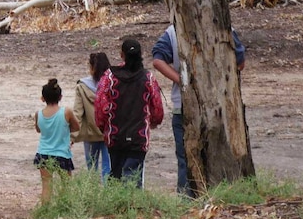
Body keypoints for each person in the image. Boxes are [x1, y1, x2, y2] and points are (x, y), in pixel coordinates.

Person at [152, 25, 246, 197]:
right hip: (219, 107)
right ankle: (220, 195)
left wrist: (182, 81)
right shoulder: (223, 26)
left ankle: (186, 200)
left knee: (185, 159)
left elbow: (157, 60)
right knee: (218, 155)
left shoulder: (172, 31)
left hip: (184, 106)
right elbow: (240, 62)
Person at [95, 38, 164, 187]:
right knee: (133, 181)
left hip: (115, 137)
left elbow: (100, 106)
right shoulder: (148, 78)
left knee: (116, 178)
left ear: (122, 55)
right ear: (141, 55)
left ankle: (115, 209)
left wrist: (103, 127)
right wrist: (153, 122)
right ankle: (132, 208)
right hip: (138, 139)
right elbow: (157, 108)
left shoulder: (109, 77)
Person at [33, 78, 80, 203]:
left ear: (42, 98)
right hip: (61, 153)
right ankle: (64, 208)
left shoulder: (39, 114)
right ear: (60, 97)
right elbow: (76, 127)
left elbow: (38, 129)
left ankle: (45, 212)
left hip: (43, 153)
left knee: (46, 186)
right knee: (66, 185)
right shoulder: (66, 112)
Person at [72, 52, 112, 181]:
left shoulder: (82, 86)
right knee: (108, 167)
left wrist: (72, 136)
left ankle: (91, 196)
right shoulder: (113, 84)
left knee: (91, 167)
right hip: (108, 132)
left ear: (91, 67)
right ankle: (107, 196)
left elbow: (77, 112)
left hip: (90, 134)